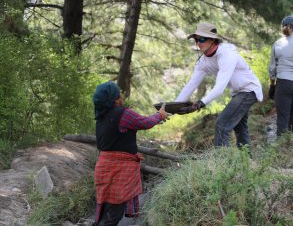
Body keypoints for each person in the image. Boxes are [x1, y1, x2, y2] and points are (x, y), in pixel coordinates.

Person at [175, 22, 263, 147]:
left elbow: (219, 88)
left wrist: (200, 104)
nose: (198, 43)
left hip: (249, 90)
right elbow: (190, 85)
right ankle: (247, 162)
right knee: (240, 128)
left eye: (202, 39)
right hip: (238, 93)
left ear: (212, 40)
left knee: (222, 124)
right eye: (196, 40)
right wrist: (172, 108)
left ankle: (221, 162)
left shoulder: (226, 54)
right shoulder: (203, 61)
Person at [92, 81, 168, 226]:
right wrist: (159, 115)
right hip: (119, 170)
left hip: (104, 168)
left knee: (107, 210)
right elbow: (145, 122)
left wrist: (158, 117)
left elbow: (138, 123)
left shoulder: (101, 117)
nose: (121, 95)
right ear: (115, 98)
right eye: (118, 93)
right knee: (113, 215)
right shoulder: (123, 114)